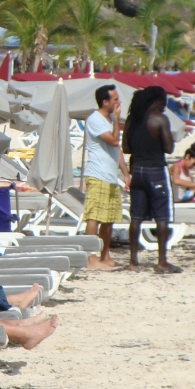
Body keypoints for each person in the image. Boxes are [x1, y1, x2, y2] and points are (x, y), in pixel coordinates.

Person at [121, 85, 178, 273]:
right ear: (159, 101)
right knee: (162, 217)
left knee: (136, 217)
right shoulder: (160, 119)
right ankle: (162, 262)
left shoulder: (132, 120)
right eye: (164, 103)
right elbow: (169, 148)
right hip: (155, 171)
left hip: (137, 170)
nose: (164, 107)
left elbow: (127, 148)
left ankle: (133, 261)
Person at [83, 84, 129, 269]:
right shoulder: (95, 119)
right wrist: (117, 120)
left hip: (110, 176)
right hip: (97, 174)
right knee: (94, 216)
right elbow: (114, 140)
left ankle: (105, 256)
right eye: (115, 99)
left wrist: (125, 174)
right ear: (105, 101)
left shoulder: (109, 119)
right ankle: (91, 256)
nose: (119, 102)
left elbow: (116, 150)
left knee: (109, 218)